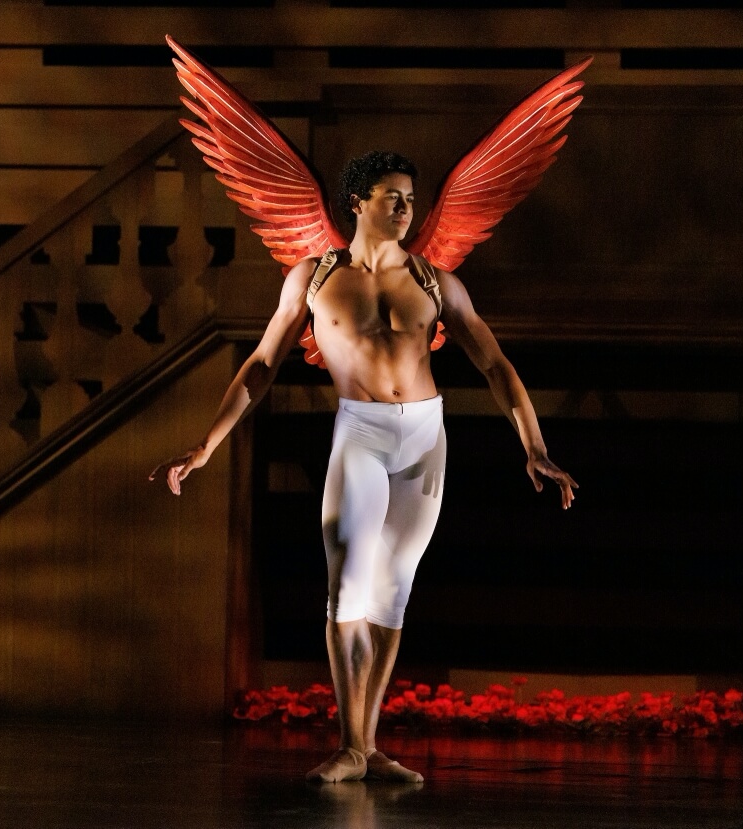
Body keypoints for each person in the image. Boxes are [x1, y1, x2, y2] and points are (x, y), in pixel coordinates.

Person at [150, 150, 578, 784]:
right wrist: (208, 443)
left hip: (425, 438)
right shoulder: (314, 277)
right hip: (362, 434)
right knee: (347, 582)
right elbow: (264, 363)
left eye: (410, 197)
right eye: (390, 196)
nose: (405, 208)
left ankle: (367, 744)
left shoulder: (437, 283)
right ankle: (351, 745)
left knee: (392, 594)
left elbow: (494, 364)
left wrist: (533, 444)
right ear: (358, 202)